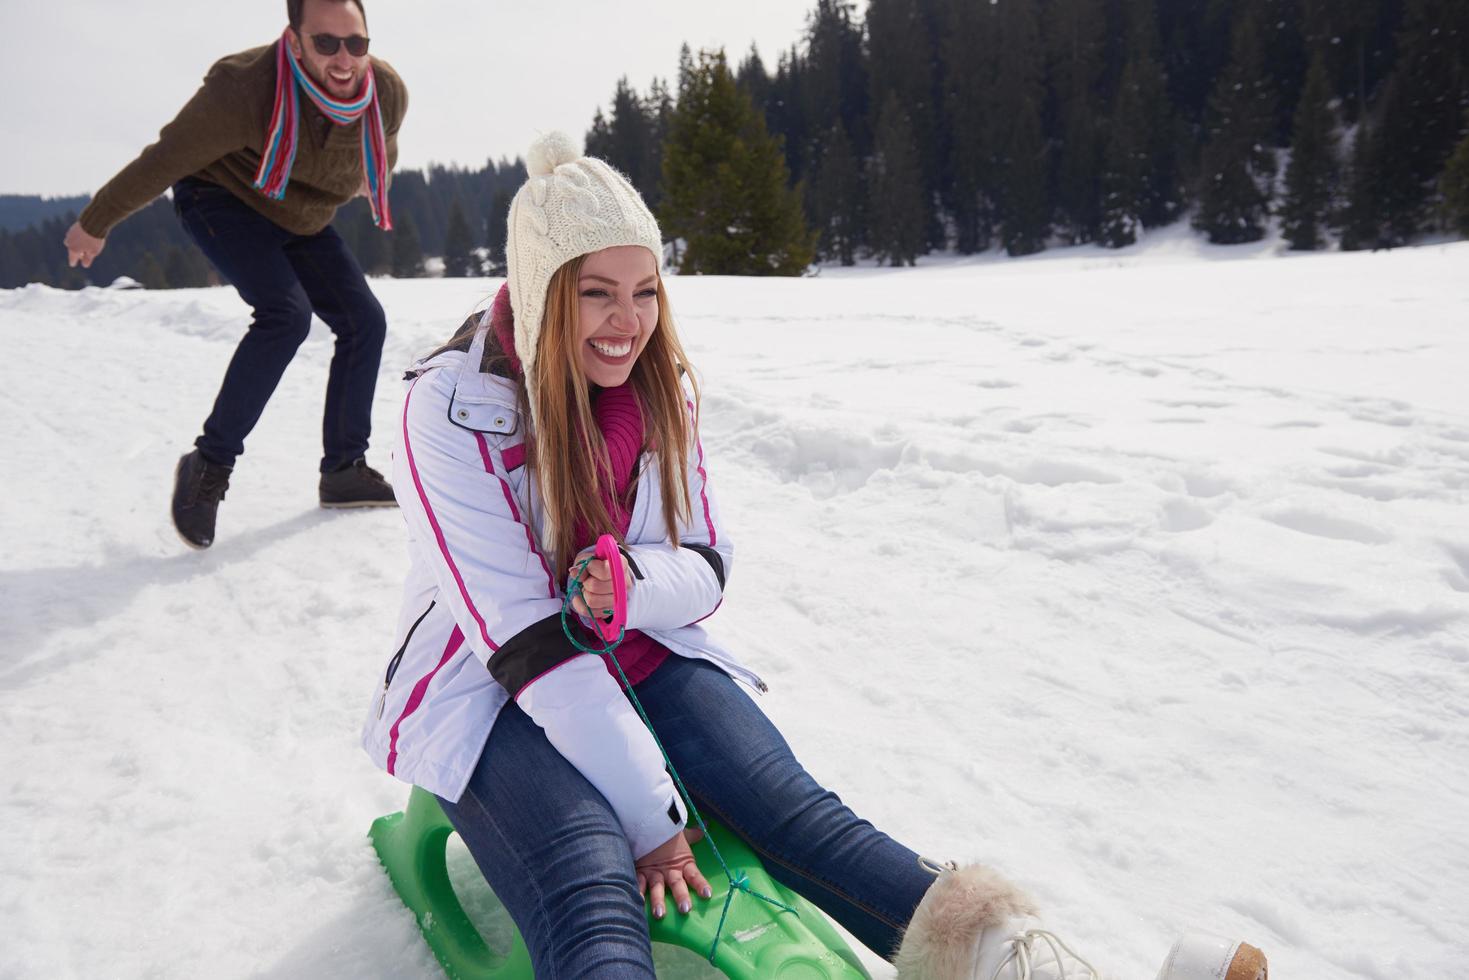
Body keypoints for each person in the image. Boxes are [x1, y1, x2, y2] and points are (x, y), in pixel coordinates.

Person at [359, 133, 1269, 980]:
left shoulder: (659, 389)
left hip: (640, 650)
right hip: (488, 688)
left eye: (645, 291)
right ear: (543, 287)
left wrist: (633, 587)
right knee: (591, 875)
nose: (626, 322)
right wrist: (652, 818)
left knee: (803, 819)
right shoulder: (450, 408)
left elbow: (706, 563)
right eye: (596, 292)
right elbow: (522, 640)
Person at [62, 0, 407, 549]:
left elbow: (382, 145)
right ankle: (208, 467)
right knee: (285, 315)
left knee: (365, 320)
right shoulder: (243, 89)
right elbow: (166, 157)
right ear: (294, 41)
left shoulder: (384, 91)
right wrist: (96, 221)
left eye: (356, 43)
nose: (344, 59)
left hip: (303, 214)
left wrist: (374, 176)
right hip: (223, 197)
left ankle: (344, 469)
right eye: (326, 43)